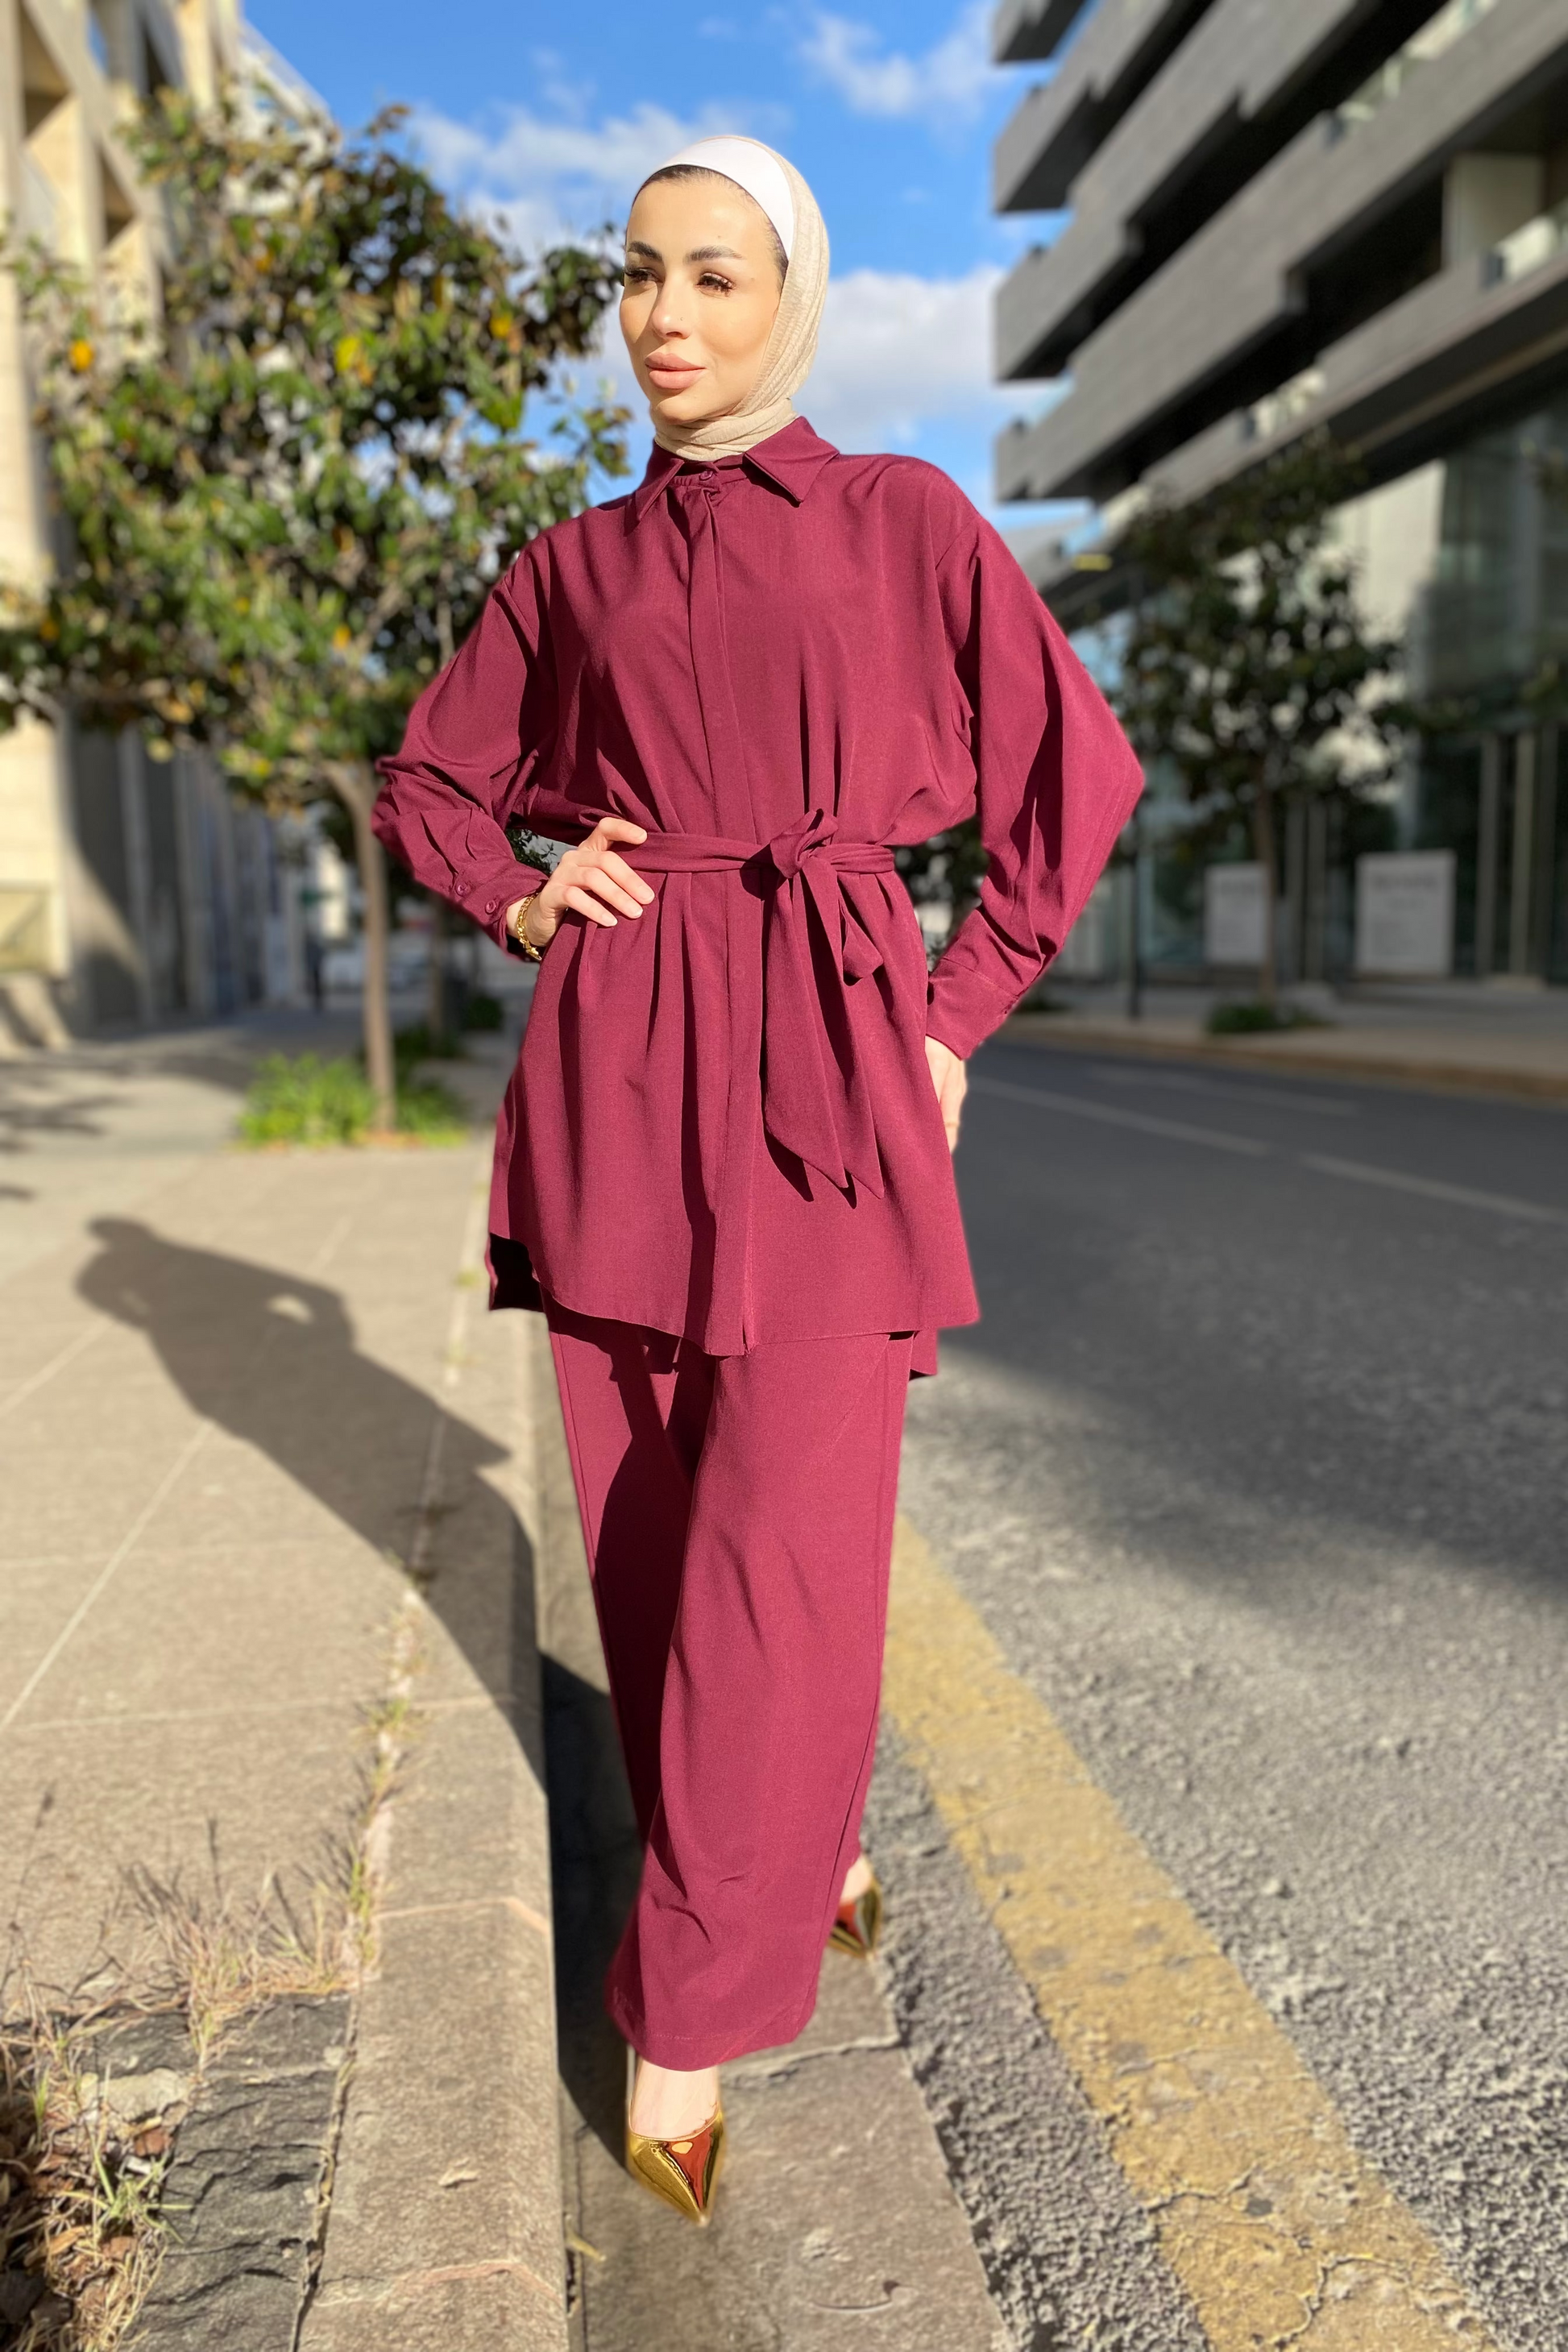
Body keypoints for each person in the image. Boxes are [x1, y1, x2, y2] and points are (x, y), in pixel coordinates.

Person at [375, 135, 1142, 2225]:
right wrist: (524, 897)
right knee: (642, 1523)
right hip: (623, 1069)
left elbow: (1078, 773)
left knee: (781, 1542)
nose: (664, 316)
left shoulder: (902, 521)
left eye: (714, 275)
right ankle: (792, 1844)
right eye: (638, 275)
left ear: (792, 296)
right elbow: (428, 777)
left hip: (823, 1059)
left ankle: (688, 2002)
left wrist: (955, 1010)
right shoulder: (569, 571)